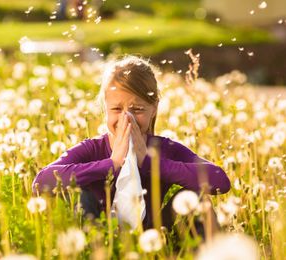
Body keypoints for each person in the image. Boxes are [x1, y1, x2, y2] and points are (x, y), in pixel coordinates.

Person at [32, 55, 231, 234]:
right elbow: (41, 182)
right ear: (105, 109)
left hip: (155, 236)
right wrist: (112, 164)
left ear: (153, 109)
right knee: (79, 196)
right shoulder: (92, 148)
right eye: (117, 109)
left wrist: (150, 162)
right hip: (99, 235)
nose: (127, 118)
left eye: (137, 109)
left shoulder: (164, 148)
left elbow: (220, 181)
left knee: (196, 198)